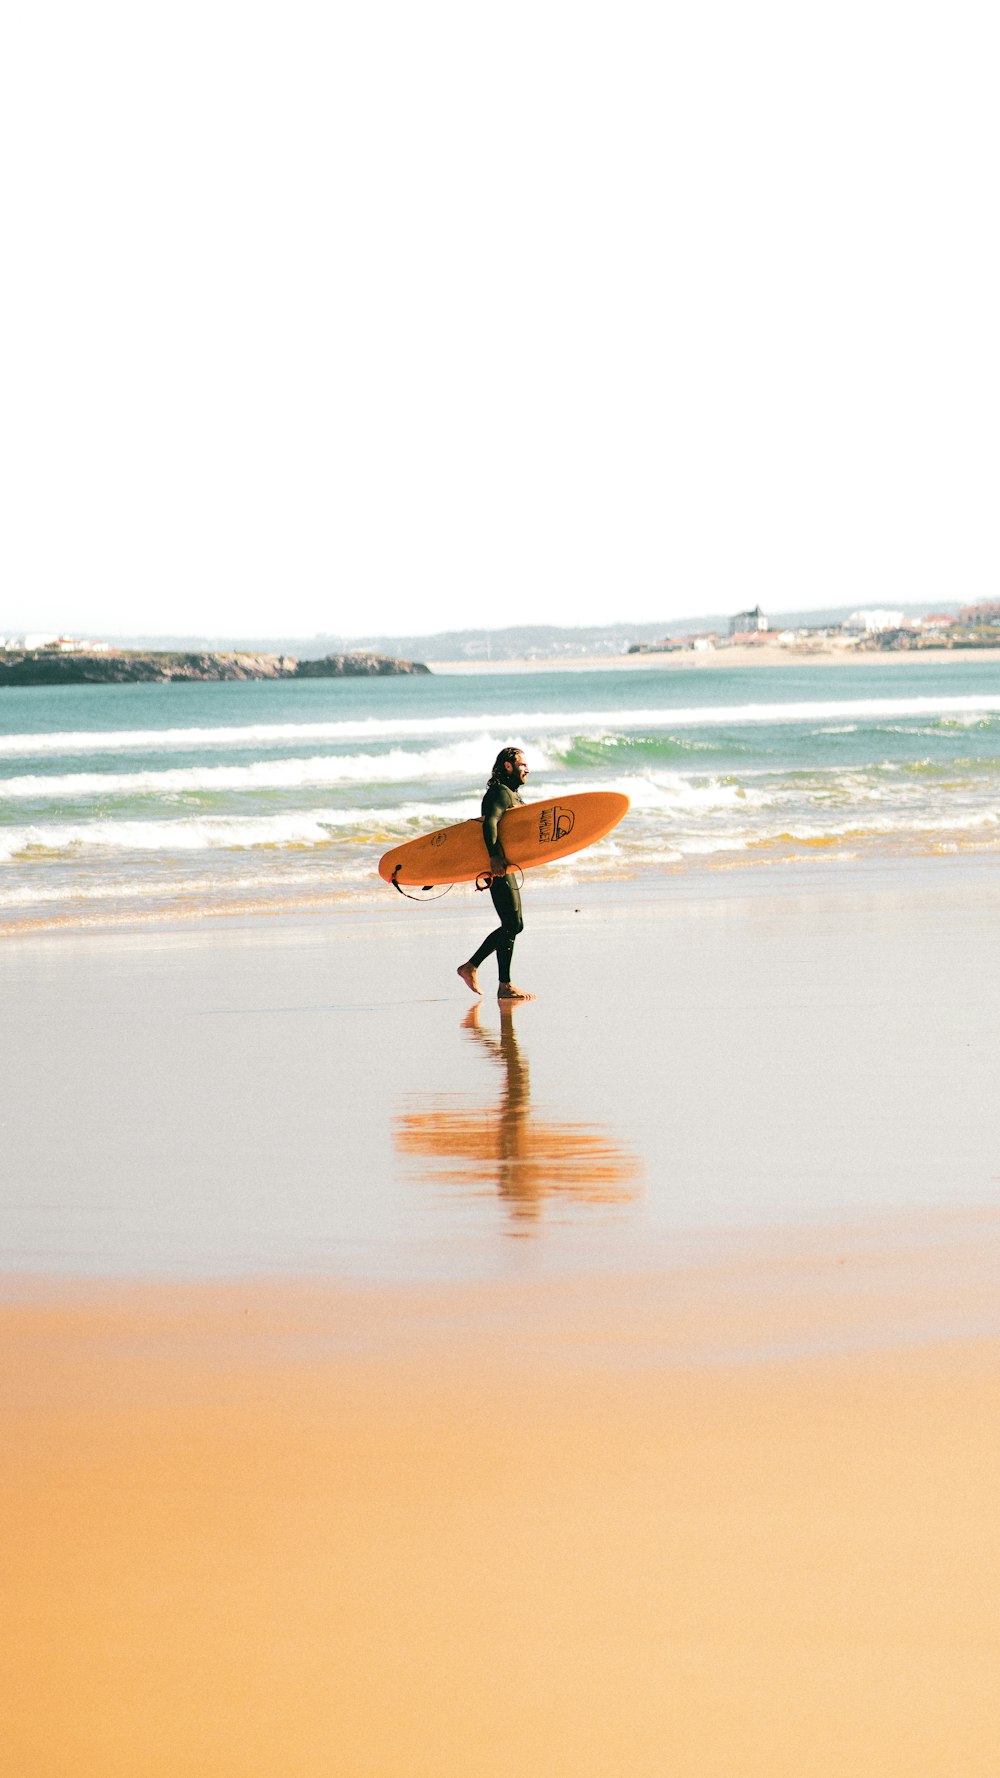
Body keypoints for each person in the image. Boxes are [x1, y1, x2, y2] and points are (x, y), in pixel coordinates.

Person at [457, 747, 534, 1001]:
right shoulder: (499, 793)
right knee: (512, 924)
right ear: (508, 766)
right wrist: (494, 857)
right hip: (497, 866)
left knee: (515, 924)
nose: (527, 769)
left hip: (504, 865)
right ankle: (486, 974)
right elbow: (490, 822)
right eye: (522, 764)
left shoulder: (512, 794)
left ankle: (492, 977)